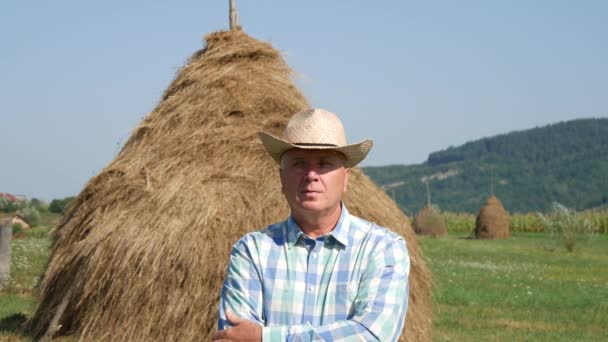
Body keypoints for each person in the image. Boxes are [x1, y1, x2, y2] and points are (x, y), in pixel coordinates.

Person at [213, 108, 410, 341]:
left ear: (345, 178)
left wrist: (265, 338)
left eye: (324, 163)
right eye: (298, 164)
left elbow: (372, 335)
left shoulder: (382, 249)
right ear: (281, 178)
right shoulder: (252, 251)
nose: (311, 175)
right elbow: (235, 337)